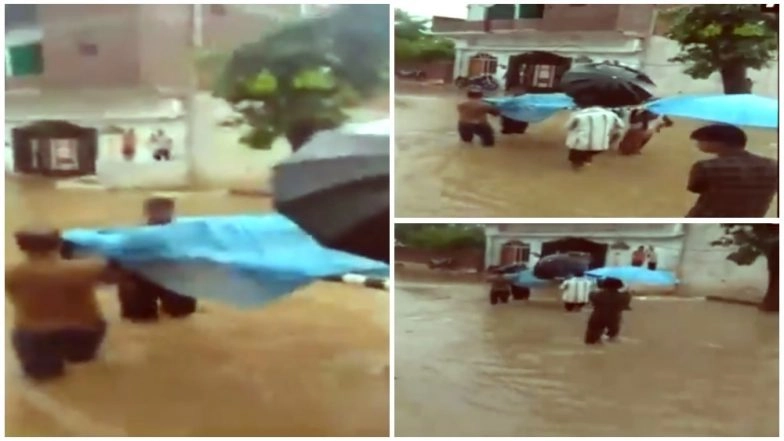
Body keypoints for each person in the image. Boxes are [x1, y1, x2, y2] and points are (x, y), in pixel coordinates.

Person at [6, 228, 116, 380]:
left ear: (20, 247)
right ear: (59, 244)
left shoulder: (10, 273)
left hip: (35, 335)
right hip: (83, 332)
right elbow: (118, 279)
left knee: (44, 380)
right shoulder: (89, 267)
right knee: (84, 364)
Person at [117, 197, 198, 322]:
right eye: (157, 210)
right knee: (141, 315)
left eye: (163, 210)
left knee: (181, 312)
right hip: (145, 279)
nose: (160, 213)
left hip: (173, 279)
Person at [686, 124, 778, 217]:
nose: (698, 145)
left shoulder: (705, 166)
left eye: (701, 141)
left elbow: (694, 188)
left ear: (717, 143)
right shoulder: (773, 166)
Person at [584, 277, 631, 345]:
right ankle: (610, 337)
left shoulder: (597, 294)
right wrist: (627, 292)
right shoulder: (622, 296)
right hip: (613, 317)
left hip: (598, 315)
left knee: (592, 335)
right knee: (613, 333)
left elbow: (592, 297)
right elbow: (625, 304)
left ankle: (595, 340)